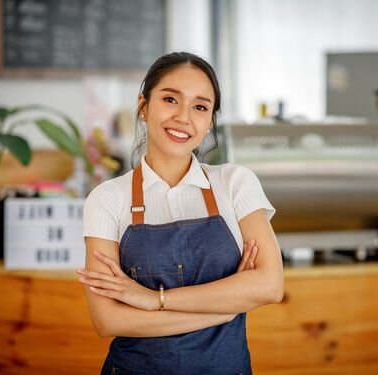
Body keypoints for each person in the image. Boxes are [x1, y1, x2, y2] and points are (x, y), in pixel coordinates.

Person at [77, 51, 284, 375]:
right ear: (143, 106)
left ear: (209, 121)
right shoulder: (106, 199)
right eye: (171, 99)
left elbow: (270, 285)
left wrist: (153, 300)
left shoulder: (235, 184)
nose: (184, 117)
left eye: (200, 106)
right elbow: (109, 320)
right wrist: (225, 308)